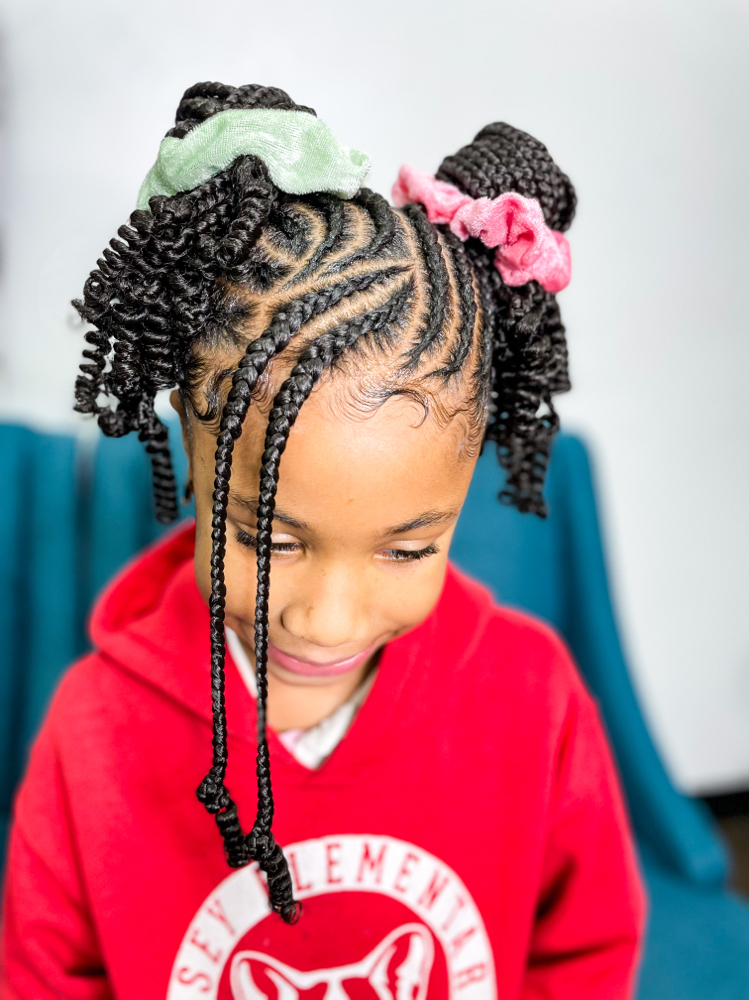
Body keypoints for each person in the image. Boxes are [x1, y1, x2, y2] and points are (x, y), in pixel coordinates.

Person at [0, 82, 645, 999]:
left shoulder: (533, 701)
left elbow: (583, 952)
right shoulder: (91, 732)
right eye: (273, 539)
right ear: (190, 447)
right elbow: (46, 976)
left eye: (405, 549)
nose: (325, 621)